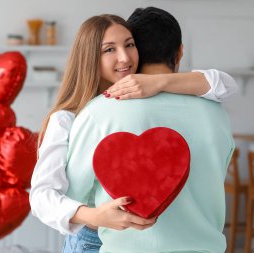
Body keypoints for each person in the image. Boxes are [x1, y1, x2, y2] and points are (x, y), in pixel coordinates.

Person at [30, 14, 237, 253]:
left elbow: (225, 84)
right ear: (90, 58)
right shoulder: (75, 116)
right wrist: (97, 216)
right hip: (93, 237)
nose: (125, 57)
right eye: (109, 49)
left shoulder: (109, 110)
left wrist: (159, 82)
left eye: (129, 45)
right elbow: (43, 197)